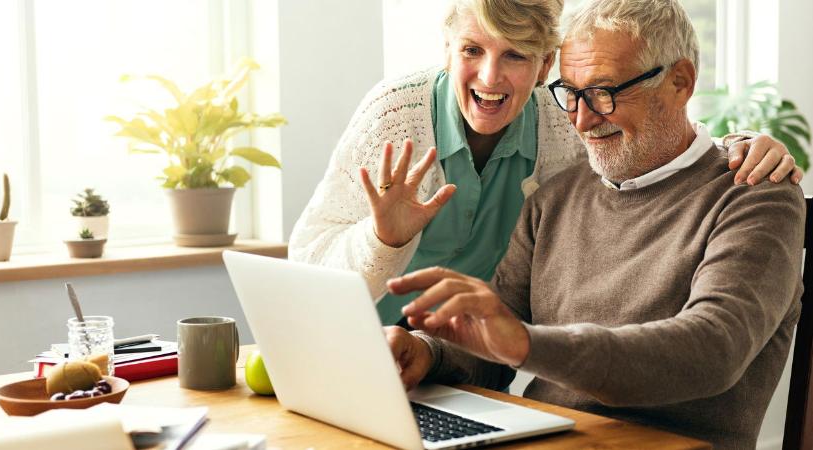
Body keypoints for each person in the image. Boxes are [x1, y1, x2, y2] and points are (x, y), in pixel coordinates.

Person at [383, 1, 805, 448]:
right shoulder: (553, 198)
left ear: (680, 82)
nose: (582, 120)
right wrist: (427, 352)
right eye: (572, 92)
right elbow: (494, 342)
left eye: (604, 92)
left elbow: (713, 349)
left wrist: (526, 343)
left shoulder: (755, 193)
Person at [288, 0, 802, 327]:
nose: (490, 78)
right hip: (366, 346)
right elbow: (306, 266)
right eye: (472, 49)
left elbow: (652, 127)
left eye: (515, 55)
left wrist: (743, 143)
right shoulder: (395, 116)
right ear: (446, 50)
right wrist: (383, 241)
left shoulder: (566, 116)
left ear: (544, 65)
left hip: (471, 360)